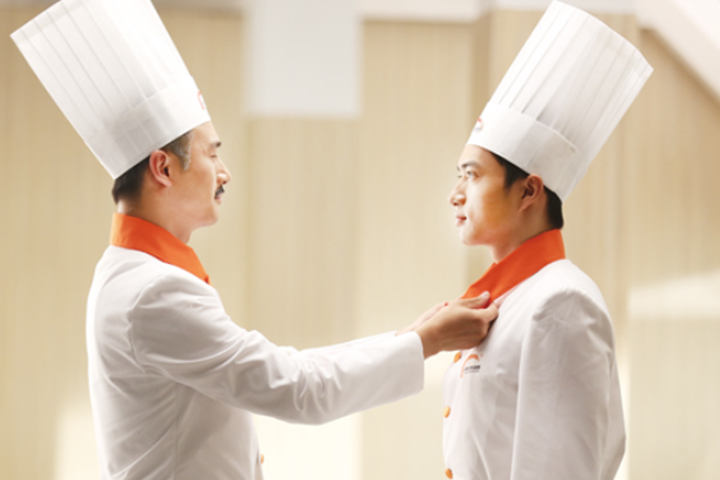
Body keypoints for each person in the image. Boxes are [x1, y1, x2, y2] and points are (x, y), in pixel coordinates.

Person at [11, 1, 497, 479]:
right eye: (211, 154)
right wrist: (426, 342)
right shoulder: (154, 291)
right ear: (163, 168)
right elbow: (298, 389)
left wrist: (409, 338)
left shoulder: (130, 271)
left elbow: (287, 368)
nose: (224, 173)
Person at [440, 2, 653, 480]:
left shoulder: (561, 303)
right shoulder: (506, 299)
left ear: (528, 191)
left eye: (472, 176)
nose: (455, 194)